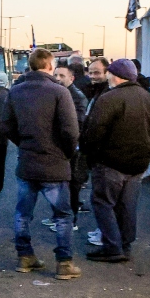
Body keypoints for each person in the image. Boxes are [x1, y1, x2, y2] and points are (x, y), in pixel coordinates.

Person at [1, 48, 81, 279]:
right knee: (63, 216)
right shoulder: (59, 92)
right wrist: (66, 153)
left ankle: (25, 256)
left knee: (23, 214)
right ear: (49, 65)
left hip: (27, 160)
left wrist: (24, 142)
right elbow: (70, 130)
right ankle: (64, 263)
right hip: (54, 163)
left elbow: (6, 125)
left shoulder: (15, 91)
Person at [81, 58, 150, 263]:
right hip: (138, 163)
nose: (107, 76)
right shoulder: (149, 99)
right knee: (127, 205)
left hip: (111, 162)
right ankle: (125, 244)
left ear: (116, 76)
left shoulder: (109, 98)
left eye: (109, 73)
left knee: (103, 203)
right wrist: (148, 151)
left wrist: (90, 156)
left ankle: (112, 246)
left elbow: (94, 132)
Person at [53, 65, 88, 227]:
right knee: (60, 185)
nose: (58, 79)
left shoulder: (76, 97)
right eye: (55, 75)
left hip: (73, 149)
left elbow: (78, 125)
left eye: (62, 75)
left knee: (71, 186)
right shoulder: (60, 94)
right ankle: (59, 217)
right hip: (61, 147)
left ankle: (70, 221)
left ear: (71, 78)